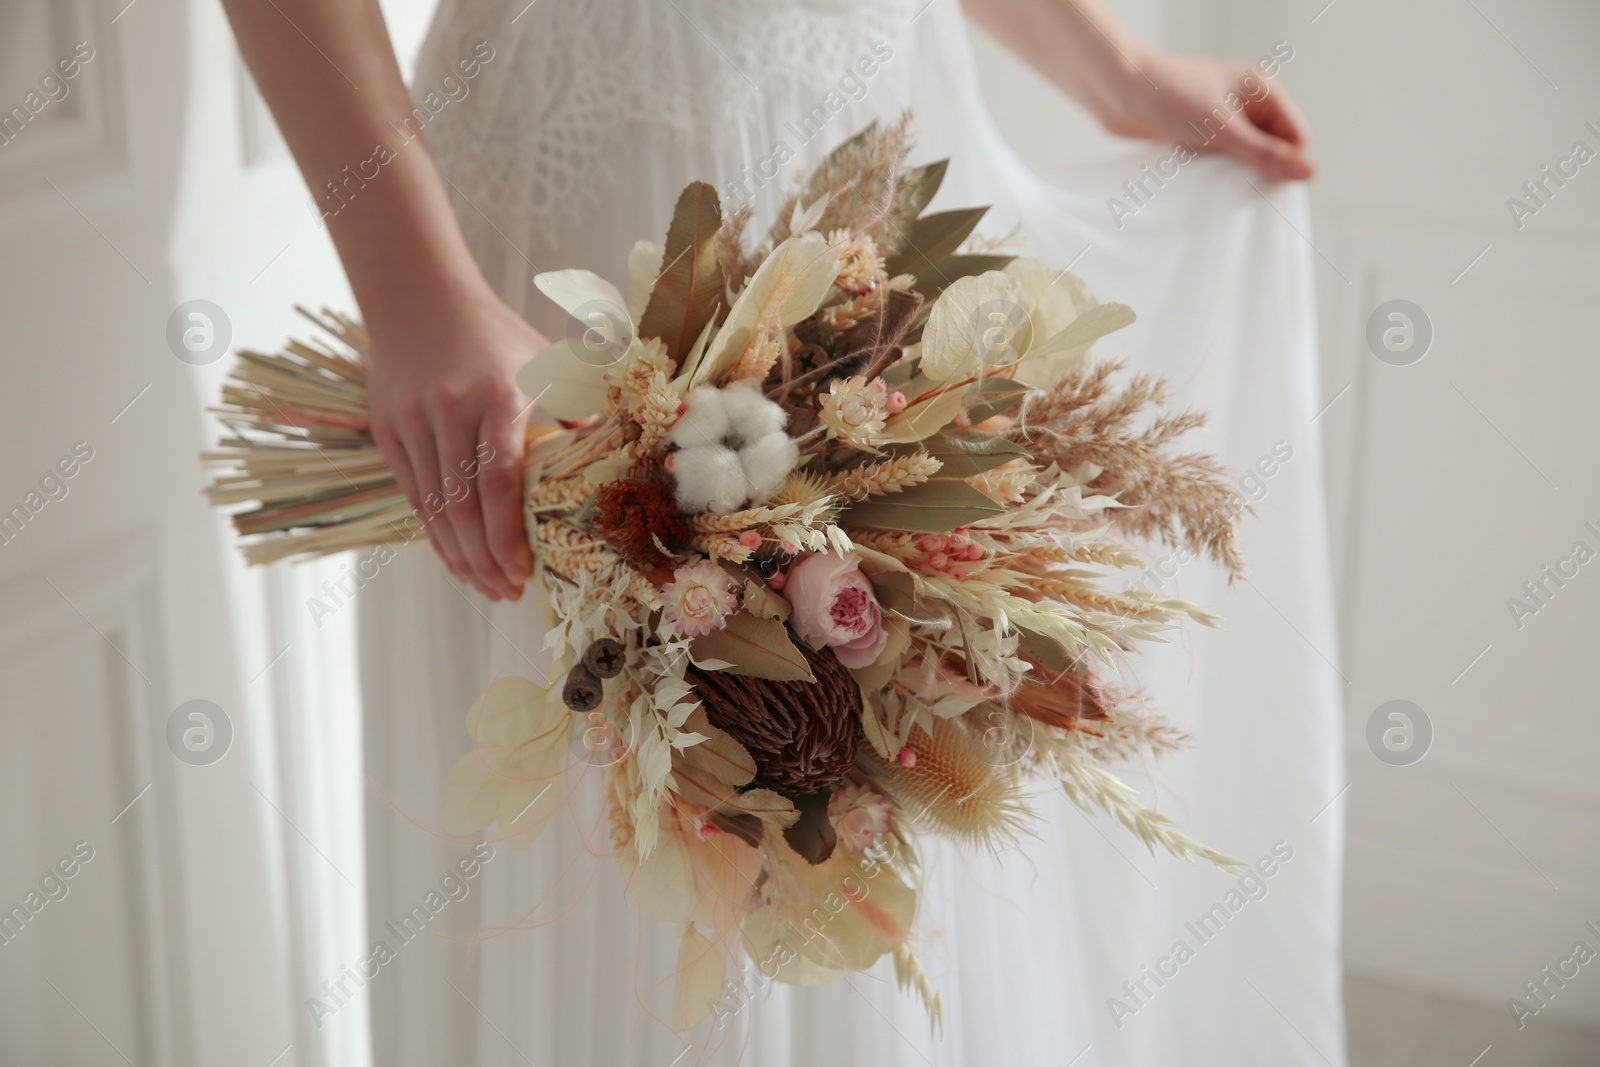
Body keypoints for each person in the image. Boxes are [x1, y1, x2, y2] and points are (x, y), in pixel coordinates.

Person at [224, 1, 1342, 1065]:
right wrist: (410, 282)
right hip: (577, 212)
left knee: (872, 784)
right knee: (613, 804)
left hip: (878, 175)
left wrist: (1116, 70)